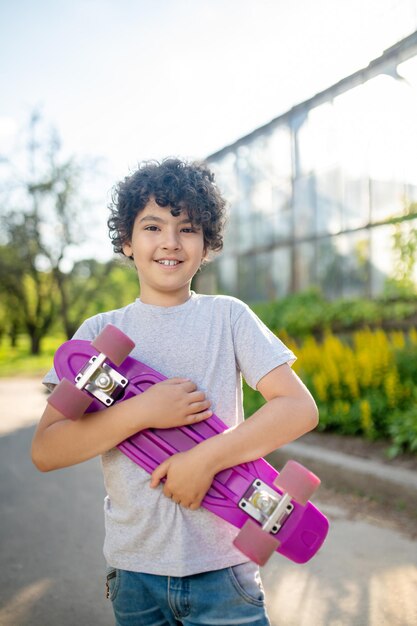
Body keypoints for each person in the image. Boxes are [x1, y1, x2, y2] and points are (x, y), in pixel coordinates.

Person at [31, 158, 319, 626]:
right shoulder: (98, 335)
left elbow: (298, 409)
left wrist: (203, 461)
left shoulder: (229, 318)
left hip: (225, 574)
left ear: (207, 245)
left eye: (187, 228)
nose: (170, 241)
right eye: (152, 226)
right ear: (126, 241)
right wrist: (142, 411)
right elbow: (47, 449)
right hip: (135, 573)